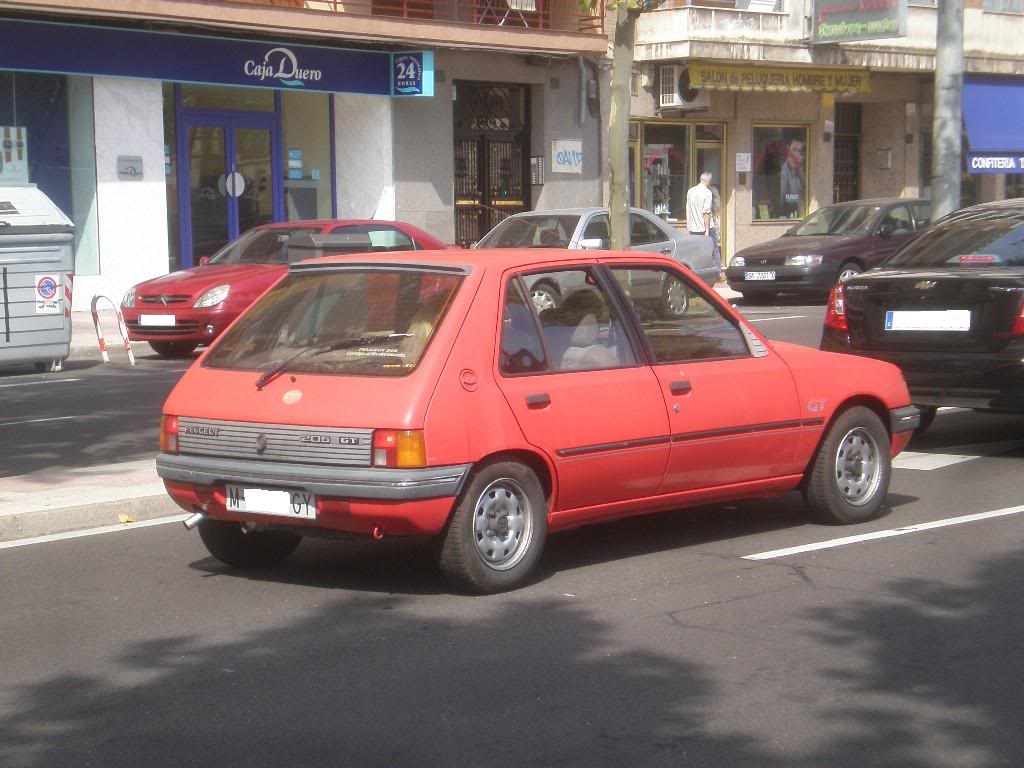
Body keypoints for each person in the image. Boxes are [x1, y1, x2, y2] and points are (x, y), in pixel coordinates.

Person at [779, 138, 804, 218]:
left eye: (799, 151)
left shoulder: (800, 169)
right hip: (790, 213)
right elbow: (783, 198)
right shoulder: (784, 170)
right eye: (794, 150)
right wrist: (798, 198)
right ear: (788, 149)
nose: (796, 154)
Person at [686, 171, 713, 238]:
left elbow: (688, 209)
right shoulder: (707, 192)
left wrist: (688, 225)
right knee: (712, 244)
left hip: (692, 228)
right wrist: (707, 230)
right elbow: (706, 212)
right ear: (708, 181)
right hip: (702, 229)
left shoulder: (690, 191)